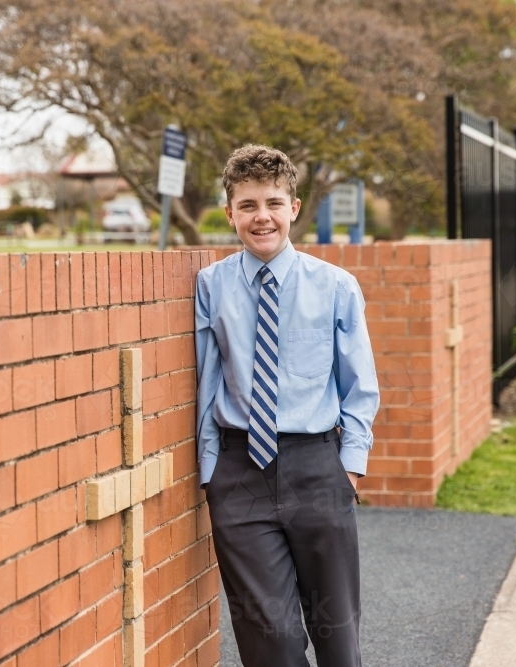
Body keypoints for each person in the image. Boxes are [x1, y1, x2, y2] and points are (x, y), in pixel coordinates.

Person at [195, 145, 379, 666]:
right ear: (230, 213)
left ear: (294, 208)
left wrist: (349, 468)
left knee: (337, 636)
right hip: (240, 475)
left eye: (273, 203)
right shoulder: (212, 286)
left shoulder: (336, 287)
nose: (262, 217)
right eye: (248, 205)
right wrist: (212, 471)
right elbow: (208, 382)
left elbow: (359, 383)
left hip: (317, 468)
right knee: (268, 641)